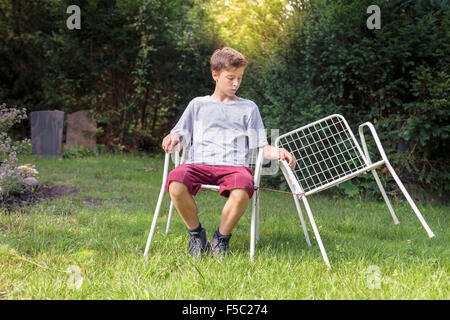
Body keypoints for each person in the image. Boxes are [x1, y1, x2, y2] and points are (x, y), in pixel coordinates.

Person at [162, 47, 295, 257]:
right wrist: (174, 136)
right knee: (176, 182)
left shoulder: (249, 108)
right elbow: (180, 132)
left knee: (243, 188)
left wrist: (277, 151)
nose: (236, 84)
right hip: (199, 164)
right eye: (230, 78)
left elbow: (260, 146)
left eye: (240, 78)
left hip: (233, 167)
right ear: (215, 75)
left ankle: (221, 239)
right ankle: (196, 235)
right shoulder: (198, 104)